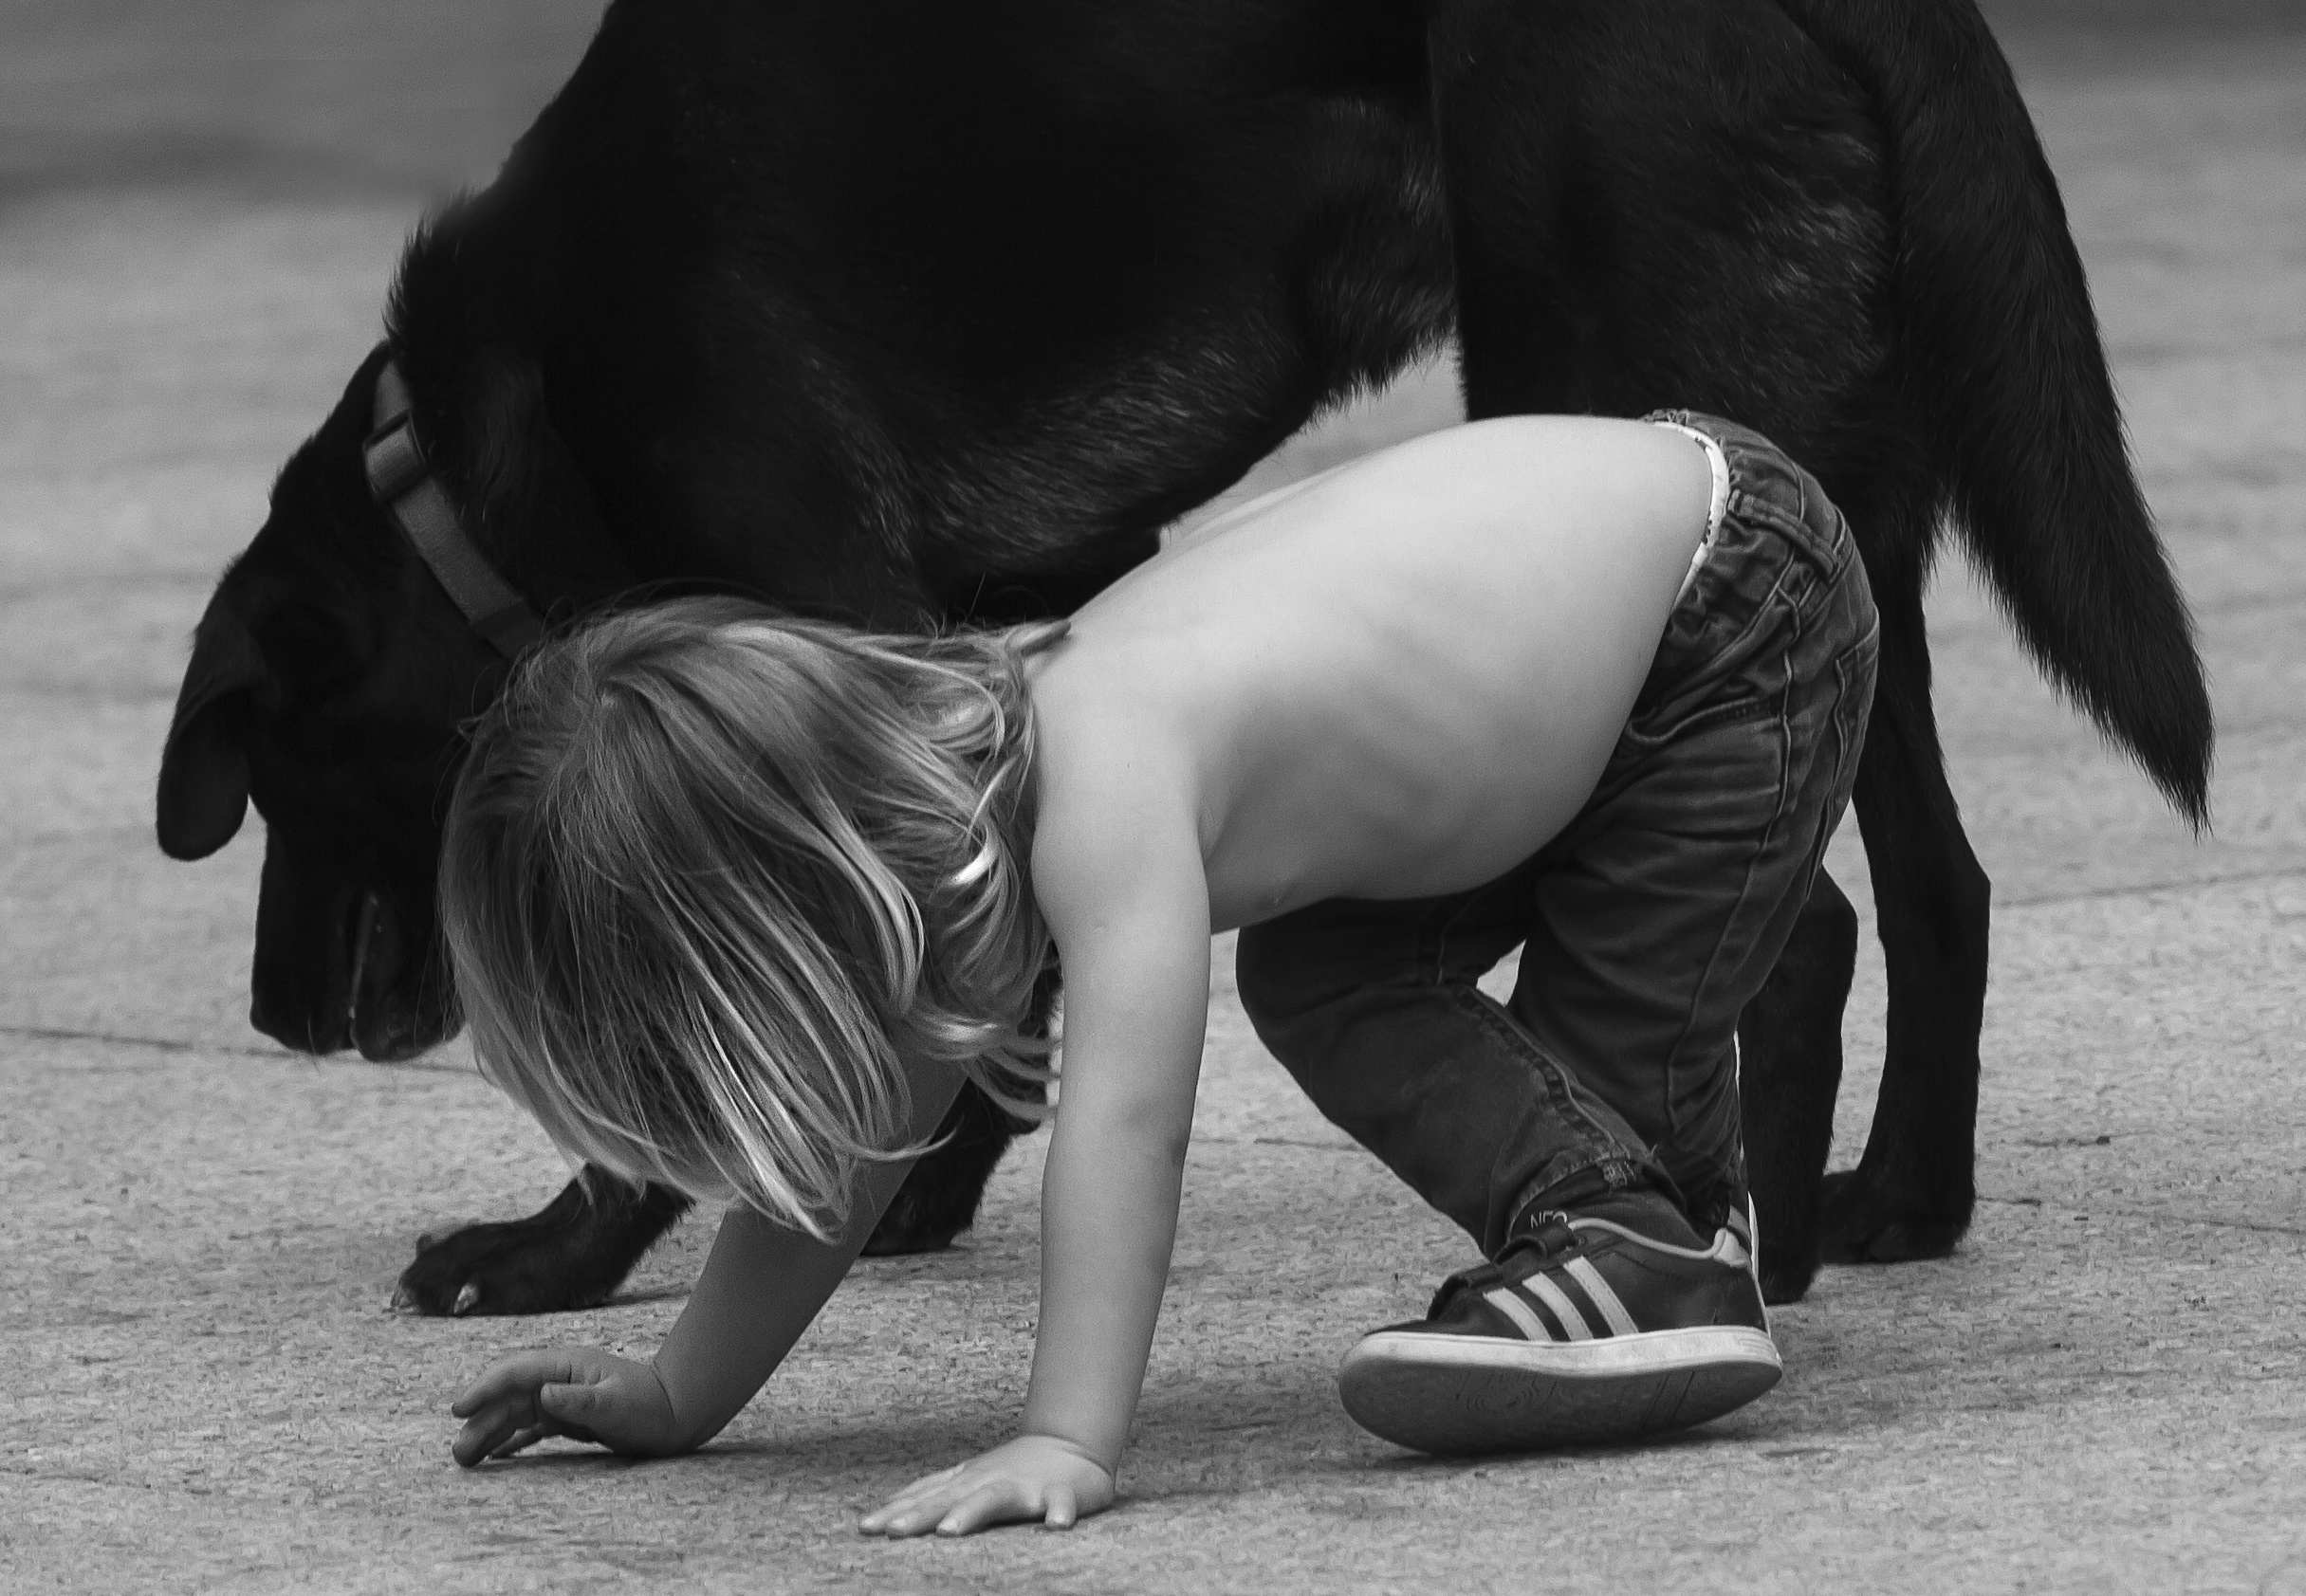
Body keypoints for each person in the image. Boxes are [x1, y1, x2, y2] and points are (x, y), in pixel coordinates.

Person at [439, 412, 1877, 1535]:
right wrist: (680, 1390)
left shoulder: (1097, 767)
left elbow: (1129, 1124)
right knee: (1326, 982)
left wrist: (1069, 1434)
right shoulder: (954, 791)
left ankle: (1664, 1242)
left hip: (1725, 610)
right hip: (1586, 651)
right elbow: (856, 1163)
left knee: (1603, 1070)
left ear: (804, 918)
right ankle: (1651, 1235)